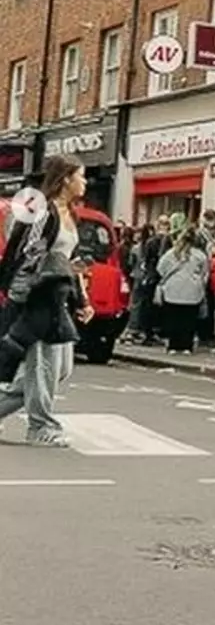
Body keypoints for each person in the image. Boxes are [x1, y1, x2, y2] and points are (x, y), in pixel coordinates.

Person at [0, 158, 95, 447]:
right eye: (81, 176)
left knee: (61, 368)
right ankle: (41, 427)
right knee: (43, 365)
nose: (85, 182)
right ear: (65, 179)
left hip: (58, 296)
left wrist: (83, 299)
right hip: (37, 297)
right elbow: (28, 254)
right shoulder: (44, 212)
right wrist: (23, 293)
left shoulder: (71, 214)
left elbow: (67, 262)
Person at [155, 227, 209, 354]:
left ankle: (173, 345)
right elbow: (205, 272)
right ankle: (187, 346)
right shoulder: (200, 255)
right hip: (193, 292)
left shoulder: (171, 253)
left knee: (173, 319)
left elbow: (160, 268)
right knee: (189, 320)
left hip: (172, 290)